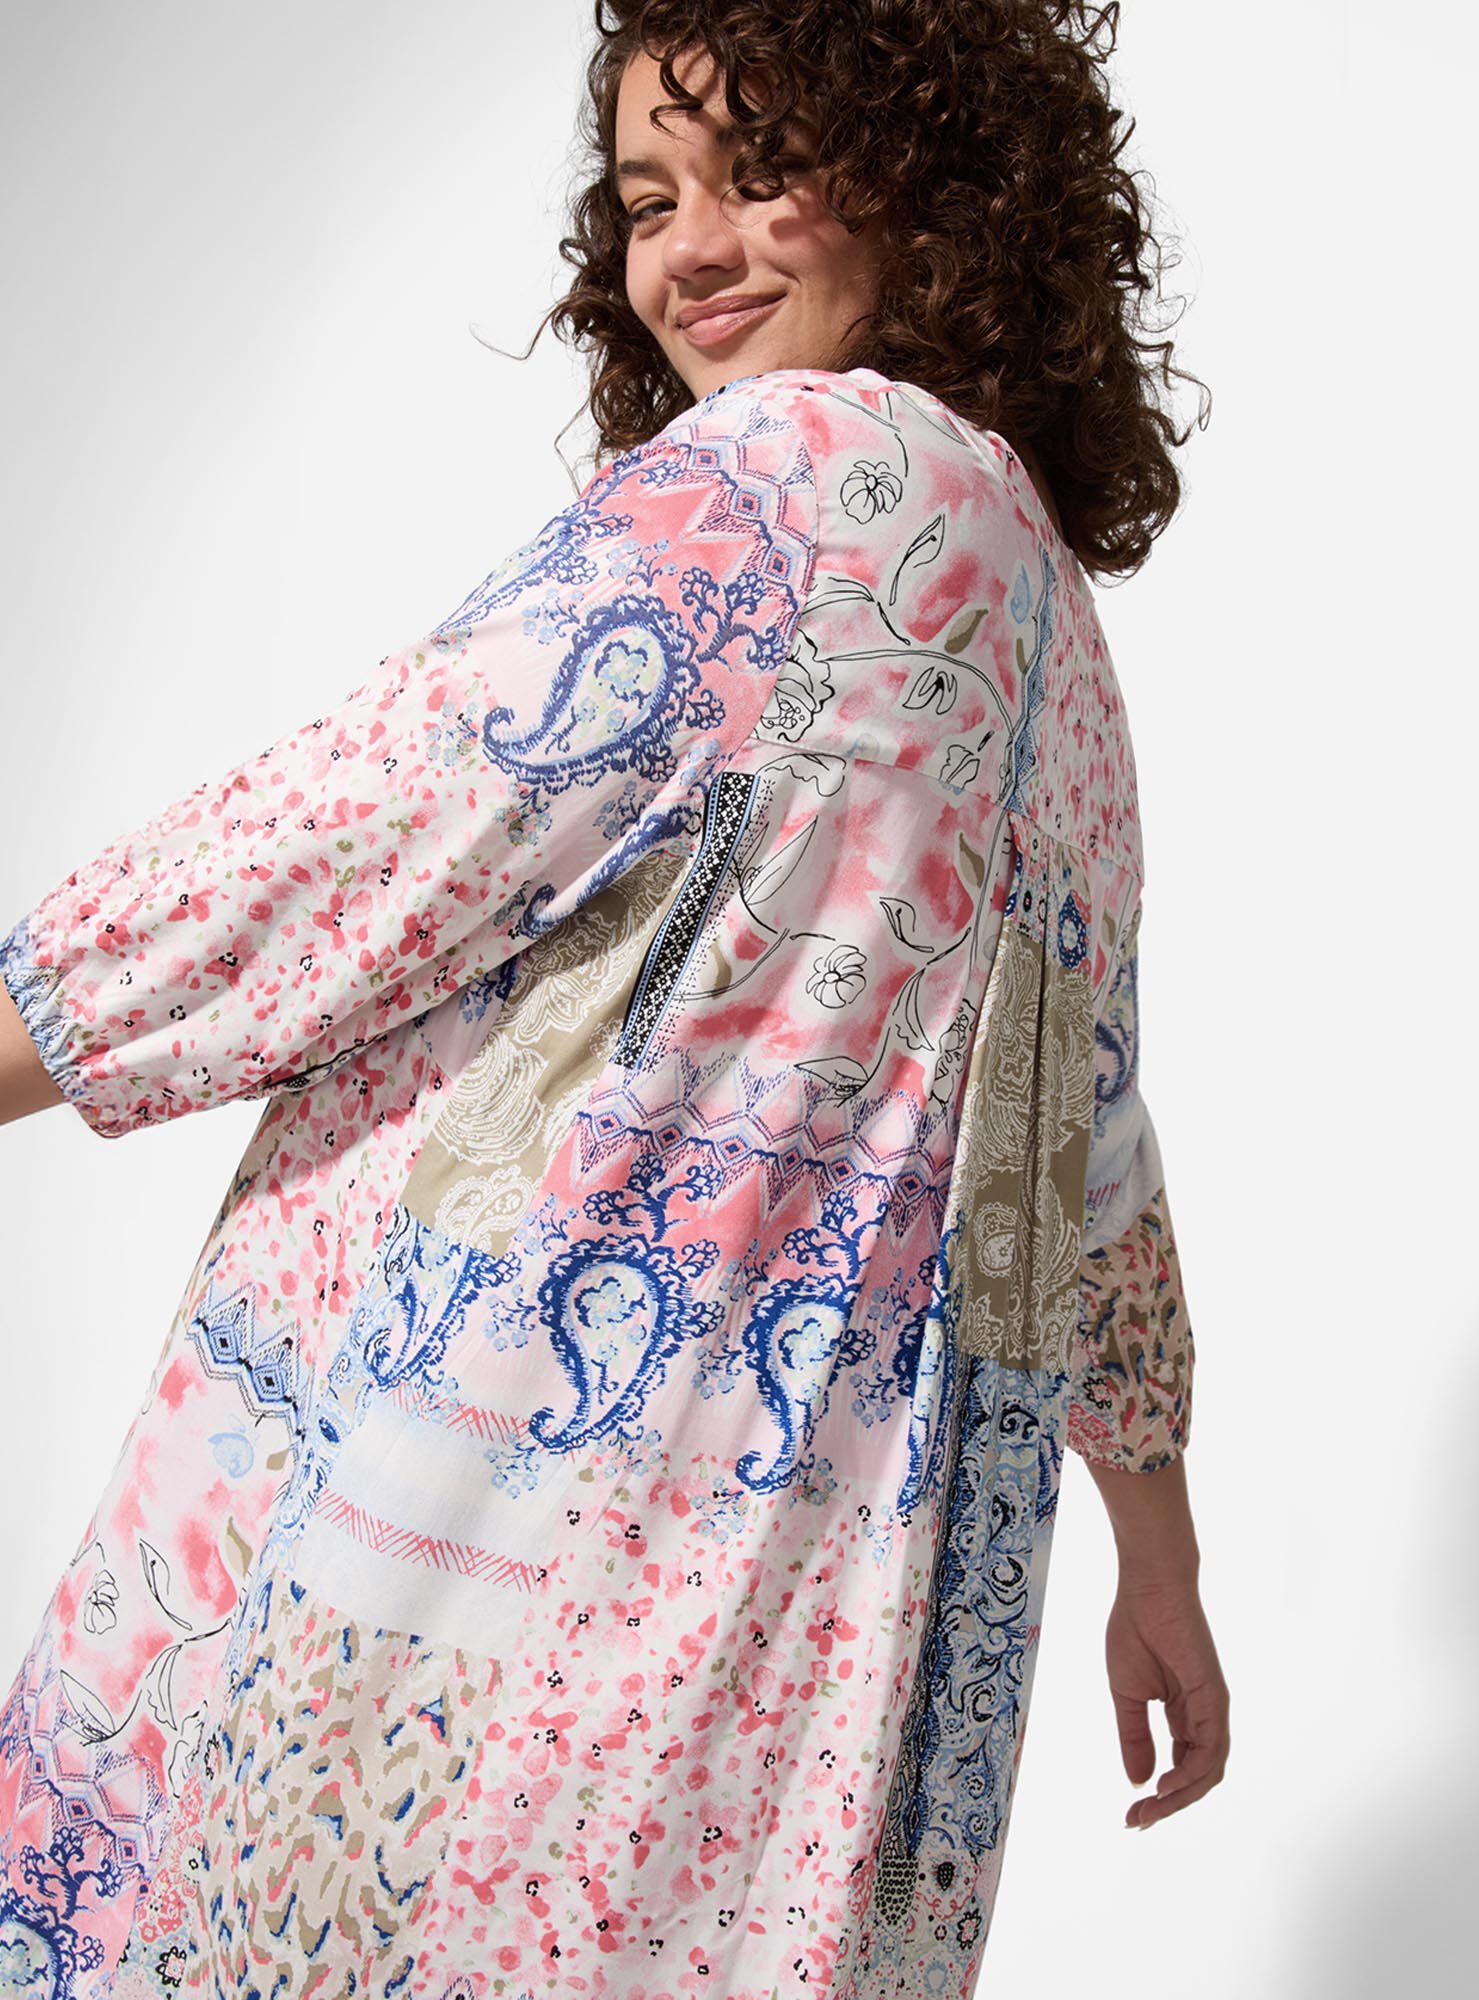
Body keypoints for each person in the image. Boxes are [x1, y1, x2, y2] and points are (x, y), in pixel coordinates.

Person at [0, 1, 1228, 1992]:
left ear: (938, 193)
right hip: (817, 1667)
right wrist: (1156, 1547)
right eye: (651, 201)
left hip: (502, 1555)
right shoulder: (1051, 628)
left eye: (763, 172)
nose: (691, 252)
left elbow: (372, 827)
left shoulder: (787, 480)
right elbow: (1080, 1157)